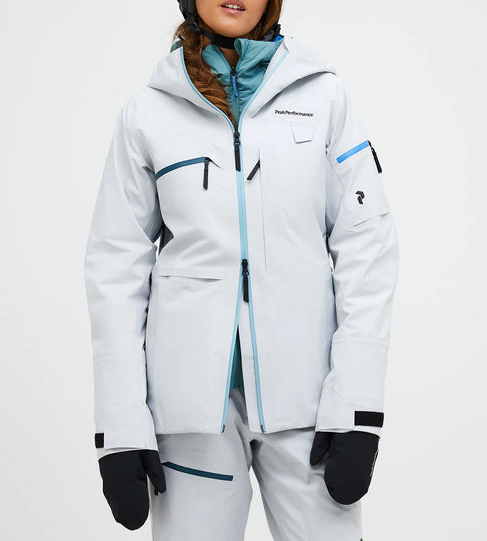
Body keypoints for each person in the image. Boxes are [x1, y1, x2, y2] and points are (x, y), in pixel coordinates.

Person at [83, 0, 399, 539]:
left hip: (309, 409)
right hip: (189, 418)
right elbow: (115, 268)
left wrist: (357, 406)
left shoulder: (324, 99)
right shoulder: (147, 114)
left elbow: (367, 247)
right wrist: (121, 427)